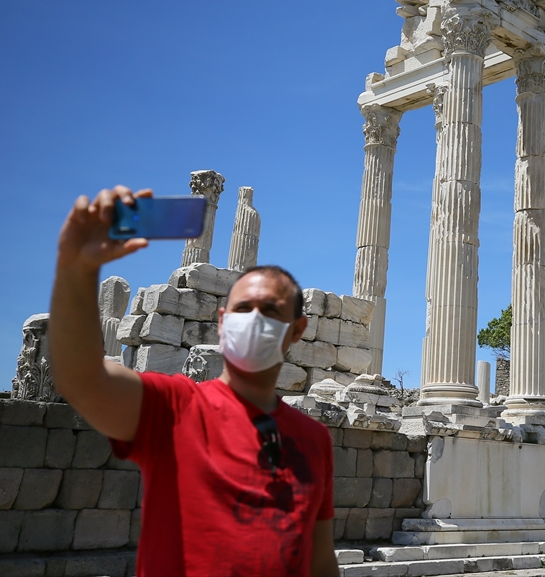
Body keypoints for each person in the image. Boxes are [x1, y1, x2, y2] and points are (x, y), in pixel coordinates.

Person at [48, 185, 339, 577]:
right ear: (221, 322)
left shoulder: (316, 440)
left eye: (270, 310)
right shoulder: (175, 407)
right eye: (243, 309)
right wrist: (75, 268)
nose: (254, 319)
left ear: (297, 329)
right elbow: (81, 379)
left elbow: (320, 560)